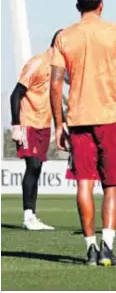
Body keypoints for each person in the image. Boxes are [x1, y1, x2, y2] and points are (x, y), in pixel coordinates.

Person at [50, 0, 116, 266]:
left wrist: (58, 124)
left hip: (78, 119)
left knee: (84, 184)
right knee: (111, 183)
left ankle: (90, 249)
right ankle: (108, 248)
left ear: (78, 7)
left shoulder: (64, 37)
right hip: (109, 118)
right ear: (101, 4)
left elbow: (55, 85)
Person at [10, 30, 62, 231]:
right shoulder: (38, 63)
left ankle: (32, 214)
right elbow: (16, 94)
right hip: (28, 123)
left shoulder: (57, 69)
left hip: (43, 125)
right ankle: (27, 216)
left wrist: (59, 123)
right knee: (32, 166)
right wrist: (16, 124)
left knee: (37, 167)